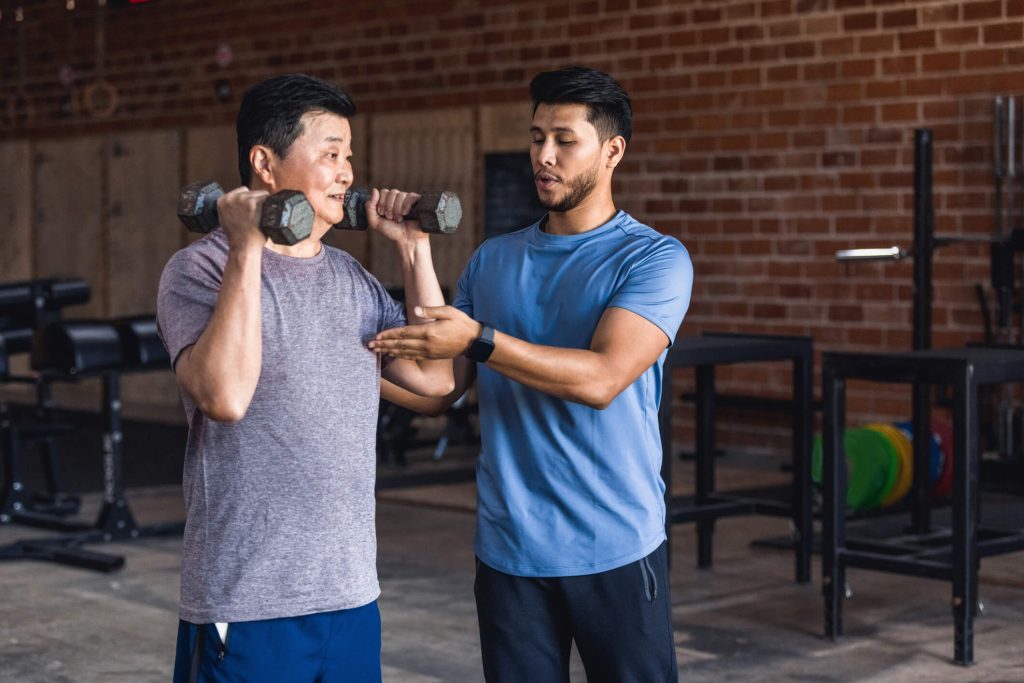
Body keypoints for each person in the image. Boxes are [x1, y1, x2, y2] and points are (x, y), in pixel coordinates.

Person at [372, 66, 693, 682]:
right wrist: (414, 250)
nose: (543, 156)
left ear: (612, 150)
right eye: (536, 137)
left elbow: (601, 378)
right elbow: (439, 386)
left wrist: (482, 339)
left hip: (615, 547)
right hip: (509, 551)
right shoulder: (493, 258)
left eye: (564, 140)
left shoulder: (653, 258)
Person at [156, 73, 453, 683]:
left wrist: (415, 251)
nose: (347, 172)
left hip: (350, 594)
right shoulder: (198, 270)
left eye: (350, 156)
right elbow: (225, 396)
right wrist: (245, 248)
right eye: (329, 153)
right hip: (247, 602)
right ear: (265, 164)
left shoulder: (350, 279)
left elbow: (433, 378)